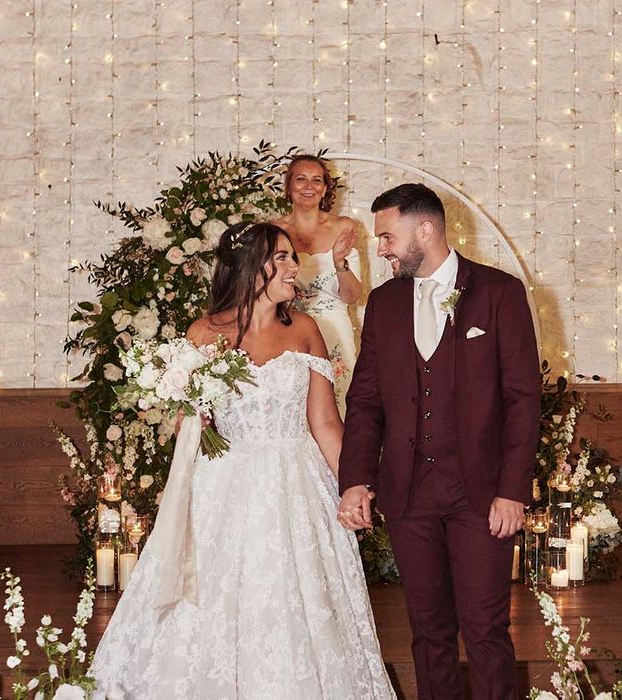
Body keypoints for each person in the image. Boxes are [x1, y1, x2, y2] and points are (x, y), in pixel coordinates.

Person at [91, 222, 395, 699]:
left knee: (295, 603)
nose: (294, 267)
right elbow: (188, 424)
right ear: (249, 268)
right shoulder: (202, 334)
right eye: (282, 258)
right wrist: (190, 418)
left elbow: (326, 424)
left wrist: (355, 487)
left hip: (296, 488)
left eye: (293, 256)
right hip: (222, 487)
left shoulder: (307, 330)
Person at [337, 184, 540, 699]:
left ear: (425, 230)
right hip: (409, 494)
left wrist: (513, 490)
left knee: (486, 629)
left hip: (482, 494)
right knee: (429, 635)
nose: (380, 248)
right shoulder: (383, 304)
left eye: (386, 236)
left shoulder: (500, 292)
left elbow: (522, 400)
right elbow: (365, 402)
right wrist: (356, 479)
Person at [273, 155, 362, 417]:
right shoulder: (273, 230)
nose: (309, 186)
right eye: (300, 179)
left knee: (338, 404)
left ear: (325, 188)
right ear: (288, 187)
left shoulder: (343, 227)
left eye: (317, 180)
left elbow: (353, 295)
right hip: (287, 327)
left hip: (333, 326)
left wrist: (339, 263)